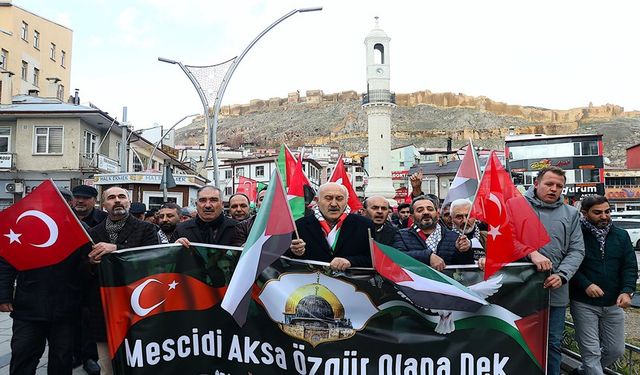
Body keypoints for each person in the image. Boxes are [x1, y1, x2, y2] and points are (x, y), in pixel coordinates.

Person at [0, 187, 93, 375]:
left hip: (66, 308)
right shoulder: (26, 228)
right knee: (23, 354)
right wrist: (3, 296)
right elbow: (7, 263)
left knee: (62, 358)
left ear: (70, 204)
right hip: (29, 307)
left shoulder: (83, 232)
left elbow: (89, 270)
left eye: (64, 202)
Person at [86, 187, 160, 374]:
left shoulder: (147, 229)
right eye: (111, 198)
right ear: (104, 206)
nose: (117, 200)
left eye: (122, 197)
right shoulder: (93, 233)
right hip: (104, 309)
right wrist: (91, 263)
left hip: (137, 305)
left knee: (139, 364)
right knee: (107, 366)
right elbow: (84, 272)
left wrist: (117, 249)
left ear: (129, 202)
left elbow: (152, 260)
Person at [523, 166, 585, 375]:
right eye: (549, 184)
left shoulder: (571, 213)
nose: (554, 189)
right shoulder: (516, 207)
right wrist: (531, 253)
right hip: (519, 289)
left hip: (555, 292)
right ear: (536, 184)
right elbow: (505, 241)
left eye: (559, 186)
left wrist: (562, 275)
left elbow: (577, 250)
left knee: (553, 342)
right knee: (520, 340)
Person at [569, 195, 637, 375]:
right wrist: (586, 284)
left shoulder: (621, 235)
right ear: (585, 213)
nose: (604, 216)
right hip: (584, 303)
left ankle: (582, 372)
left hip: (613, 303)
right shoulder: (576, 235)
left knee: (616, 350)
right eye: (597, 213)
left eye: (607, 211)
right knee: (591, 353)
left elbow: (630, 266)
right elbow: (569, 266)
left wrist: (627, 290)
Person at [288, 182, 375, 270]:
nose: (334, 204)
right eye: (328, 198)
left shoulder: (365, 225)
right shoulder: (300, 226)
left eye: (339, 199)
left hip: (350, 282)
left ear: (346, 200)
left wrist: (350, 261)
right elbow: (286, 260)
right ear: (317, 200)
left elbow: (374, 260)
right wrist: (296, 252)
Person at [392, 195, 472, 271]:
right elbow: (397, 257)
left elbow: (464, 267)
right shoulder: (401, 235)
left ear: (437, 214)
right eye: (420, 210)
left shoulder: (454, 237)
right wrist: (428, 256)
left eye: (430, 209)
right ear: (412, 217)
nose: (426, 212)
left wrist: (464, 251)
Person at [173, 186, 239, 248]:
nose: (208, 205)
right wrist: (175, 249)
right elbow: (170, 258)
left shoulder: (237, 228)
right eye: (203, 200)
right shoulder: (182, 230)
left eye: (213, 200)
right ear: (196, 205)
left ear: (222, 204)